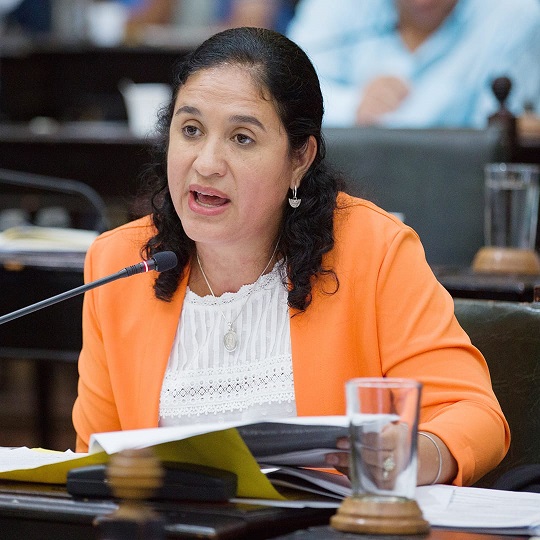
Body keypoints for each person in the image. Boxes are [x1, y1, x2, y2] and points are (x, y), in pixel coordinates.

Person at [72, 26, 509, 488]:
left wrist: (412, 455)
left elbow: (474, 414)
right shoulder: (119, 263)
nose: (206, 163)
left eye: (242, 138)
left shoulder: (374, 250)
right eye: (191, 130)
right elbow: (92, 459)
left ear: (299, 158)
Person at [287, 0, 540, 128]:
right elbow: (287, 89)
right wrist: (353, 106)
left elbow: (498, 141)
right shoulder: (335, 7)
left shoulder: (515, 15)